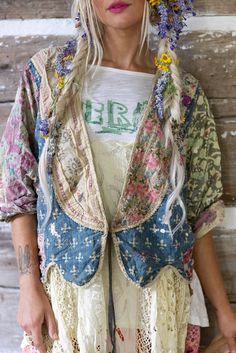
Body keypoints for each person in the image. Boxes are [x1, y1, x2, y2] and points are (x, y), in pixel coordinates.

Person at [0, 0, 236, 352]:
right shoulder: (48, 76)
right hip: (71, 302)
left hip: (157, 302)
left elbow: (198, 216)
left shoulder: (182, 94)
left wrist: (223, 309)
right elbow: (19, 191)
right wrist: (28, 286)